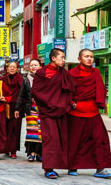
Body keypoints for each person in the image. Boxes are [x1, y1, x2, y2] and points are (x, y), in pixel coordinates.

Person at [66, 49, 111, 178]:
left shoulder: (96, 72)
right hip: (76, 112)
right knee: (75, 141)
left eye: (91, 57)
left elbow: (100, 89)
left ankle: (100, 168)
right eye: (86, 56)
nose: (89, 59)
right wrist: (72, 103)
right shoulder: (71, 73)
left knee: (99, 139)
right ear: (79, 59)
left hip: (93, 111)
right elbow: (66, 91)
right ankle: (73, 166)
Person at [31, 49, 75, 179]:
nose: (64, 60)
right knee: (51, 138)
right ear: (53, 58)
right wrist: (51, 103)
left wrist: (69, 103)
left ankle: (64, 164)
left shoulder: (64, 73)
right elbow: (37, 91)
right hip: (47, 111)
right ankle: (48, 168)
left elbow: (70, 90)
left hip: (62, 111)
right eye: (61, 57)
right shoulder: (41, 73)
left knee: (63, 138)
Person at [1, 61, 27, 158]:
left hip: (17, 107)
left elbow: (23, 94)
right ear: (7, 68)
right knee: (5, 128)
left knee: (15, 129)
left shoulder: (21, 79)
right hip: (5, 106)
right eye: (10, 67)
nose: (12, 68)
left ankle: (13, 150)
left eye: (14, 67)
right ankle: (5, 148)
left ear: (17, 69)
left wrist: (20, 107)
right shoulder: (2, 79)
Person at [23, 59, 43, 162]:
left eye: (35, 65)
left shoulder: (45, 78)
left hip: (42, 108)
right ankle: (31, 153)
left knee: (41, 131)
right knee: (32, 131)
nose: (33, 67)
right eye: (31, 65)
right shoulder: (26, 79)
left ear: (40, 66)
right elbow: (22, 94)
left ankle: (39, 153)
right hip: (31, 108)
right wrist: (18, 108)